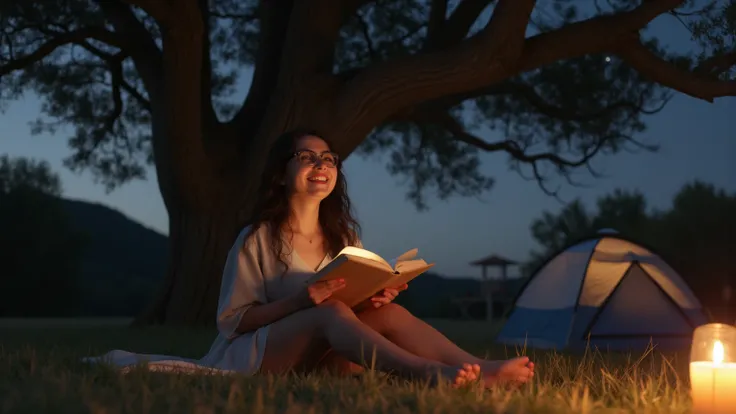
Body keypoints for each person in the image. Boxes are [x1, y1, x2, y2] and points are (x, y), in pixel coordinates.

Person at [199, 129, 535, 387]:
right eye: (307, 156)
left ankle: (484, 368)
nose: (321, 165)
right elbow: (234, 321)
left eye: (329, 158)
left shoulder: (343, 239)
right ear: (281, 173)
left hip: (323, 358)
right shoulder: (257, 238)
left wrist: (372, 299)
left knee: (389, 311)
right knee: (327, 311)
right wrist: (300, 302)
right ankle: (425, 372)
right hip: (259, 357)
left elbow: (347, 315)